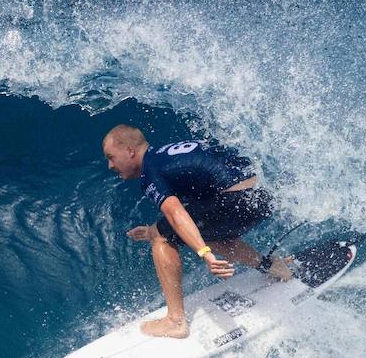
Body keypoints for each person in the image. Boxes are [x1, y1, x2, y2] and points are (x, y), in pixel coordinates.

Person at [102, 124, 292, 339]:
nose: (110, 165)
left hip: (235, 201)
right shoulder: (168, 153)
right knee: (201, 231)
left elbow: (175, 213)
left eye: (111, 157)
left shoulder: (150, 171)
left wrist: (205, 253)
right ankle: (272, 266)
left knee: (162, 237)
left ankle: (175, 321)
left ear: (129, 150)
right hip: (261, 196)